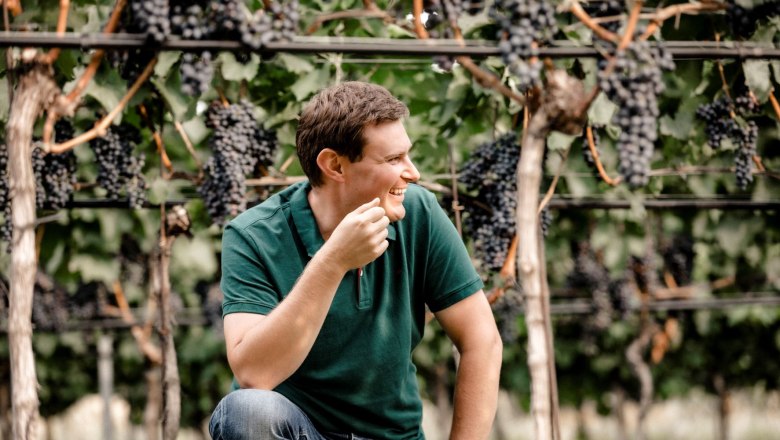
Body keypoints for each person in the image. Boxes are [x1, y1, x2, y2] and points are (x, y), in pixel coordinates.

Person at [209, 81, 502, 440]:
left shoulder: (420, 213)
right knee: (247, 411)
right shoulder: (252, 235)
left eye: (407, 155)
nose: (413, 172)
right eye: (394, 159)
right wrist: (332, 262)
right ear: (335, 165)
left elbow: (481, 340)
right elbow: (255, 374)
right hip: (302, 434)